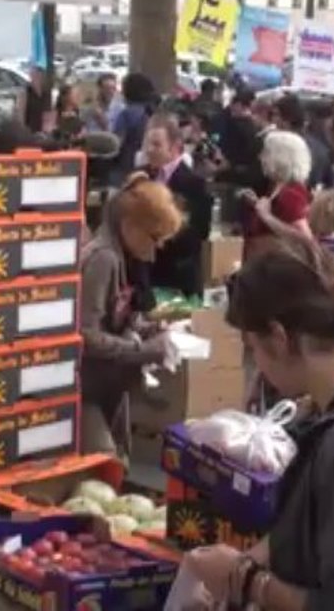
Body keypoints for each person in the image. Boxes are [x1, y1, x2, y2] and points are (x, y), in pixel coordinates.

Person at [183, 236, 334, 611]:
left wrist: (245, 579)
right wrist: (250, 561)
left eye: (253, 348)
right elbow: (321, 532)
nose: (257, 365)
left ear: (279, 338)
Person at [79, 173, 182, 456]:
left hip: (107, 384)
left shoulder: (121, 257)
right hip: (88, 388)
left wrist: (147, 327)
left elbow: (116, 316)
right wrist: (144, 350)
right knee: (105, 461)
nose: (156, 249)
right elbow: (86, 335)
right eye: (155, 238)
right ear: (130, 226)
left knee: (117, 457)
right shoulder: (103, 259)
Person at [141, 114, 213, 297]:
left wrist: (159, 234)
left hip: (177, 278)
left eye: (156, 145)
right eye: (147, 144)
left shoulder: (194, 183)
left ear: (174, 147)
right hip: (146, 275)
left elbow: (199, 232)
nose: (149, 150)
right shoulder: (142, 177)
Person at [241, 130, 314, 260]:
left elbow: (305, 239)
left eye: (266, 152)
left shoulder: (291, 193)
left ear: (280, 157)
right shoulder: (278, 187)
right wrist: (257, 205)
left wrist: (266, 216)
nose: (260, 157)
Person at [113, 72, 156, 183]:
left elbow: (116, 144)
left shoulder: (127, 114)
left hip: (127, 166)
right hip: (150, 166)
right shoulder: (153, 111)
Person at [23, 65, 48, 136]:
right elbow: (21, 115)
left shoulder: (46, 94)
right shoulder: (26, 93)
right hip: (30, 132)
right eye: (35, 76)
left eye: (40, 76)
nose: (38, 79)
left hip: (43, 133)